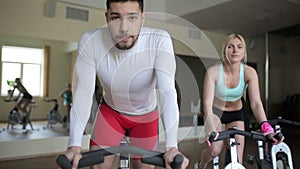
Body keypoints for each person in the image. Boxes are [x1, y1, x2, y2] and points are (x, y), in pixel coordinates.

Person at [58, 0, 189, 169]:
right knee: (98, 166)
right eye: (115, 18)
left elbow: (167, 92)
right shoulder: (91, 41)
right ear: (106, 17)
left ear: (143, 17)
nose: (124, 29)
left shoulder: (159, 40)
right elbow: (83, 92)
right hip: (110, 113)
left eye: (132, 18)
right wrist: (74, 145)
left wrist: (172, 147)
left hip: (146, 116)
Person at [194, 34, 284, 169]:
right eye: (230, 47)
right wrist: (211, 129)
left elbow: (256, 103)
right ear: (225, 51)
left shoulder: (249, 72)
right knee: (215, 150)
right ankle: (201, 165)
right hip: (216, 113)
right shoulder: (213, 72)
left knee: (238, 158)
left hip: (236, 113)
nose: (235, 50)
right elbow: (206, 104)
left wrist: (266, 127)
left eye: (239, 47)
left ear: (244, 52)